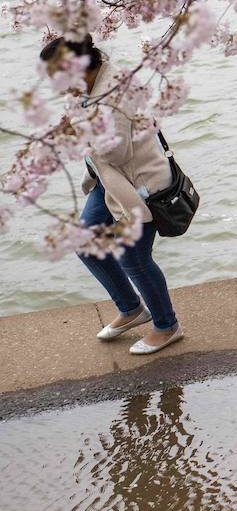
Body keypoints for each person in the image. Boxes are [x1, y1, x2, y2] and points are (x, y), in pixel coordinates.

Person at [41, 35, 185, 355]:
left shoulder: (114, 91)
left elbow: (117, 153)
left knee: (133, 256)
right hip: (109, 181)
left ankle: (167, 325)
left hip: (139, 184)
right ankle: (132, 308)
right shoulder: (88, 89)